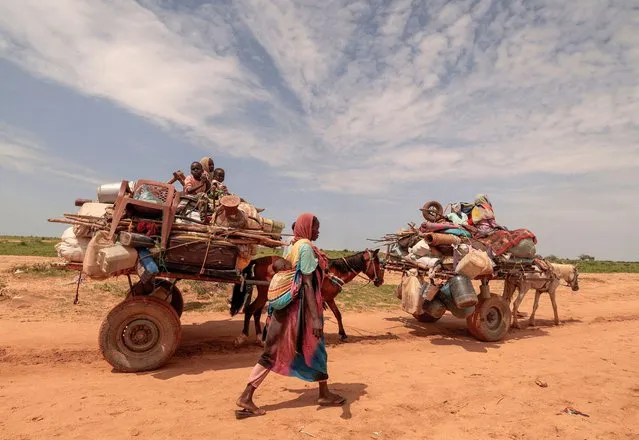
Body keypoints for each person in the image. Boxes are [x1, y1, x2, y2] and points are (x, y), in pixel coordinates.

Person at [236, 213, 345, 418]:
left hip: (289, 308)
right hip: (298, 311)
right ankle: (246, 396)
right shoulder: (304, 248)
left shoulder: (293, 246)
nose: (318, 231)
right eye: (315, 227)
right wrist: (315, 317)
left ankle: (324, 392)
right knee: (275, 352)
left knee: (316, 350)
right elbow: (308, 284)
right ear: (306, 228)